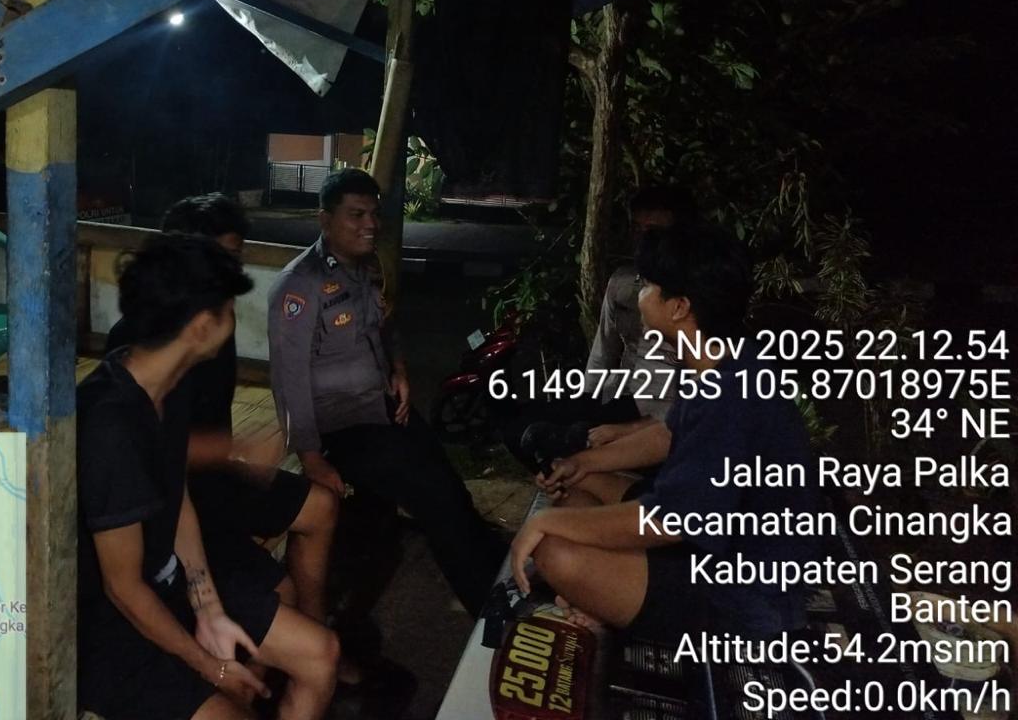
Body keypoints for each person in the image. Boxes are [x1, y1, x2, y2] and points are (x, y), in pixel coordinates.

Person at [509, 222, 819, 644]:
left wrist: (547, 522)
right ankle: (609, 594)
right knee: (581, 485)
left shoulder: (729, 395)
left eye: (648, 285)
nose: (640, 293)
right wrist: (584, 462)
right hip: (714, 536)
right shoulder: (725, 358)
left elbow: (671, 520)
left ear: (679, 307)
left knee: (554, 550)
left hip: (745, 590)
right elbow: (666, 436)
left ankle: (613, 603)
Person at [78, 233, 338, 720]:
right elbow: (123, 588)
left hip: (168, 584)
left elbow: (175, 496)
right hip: (110, 624)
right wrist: (209, 665)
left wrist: (209, 608)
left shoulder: (166, 382)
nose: (234, 319)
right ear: (202, 327)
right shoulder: (110, 426)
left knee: (321, 654)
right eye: (229, 309)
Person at [267, 168, 507, 615]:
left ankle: (504, 573)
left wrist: (398, 368)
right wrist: (311, 458)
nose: (371, 224)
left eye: (374, 214)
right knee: (435, 499)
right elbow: (288, 379)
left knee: (451, 489)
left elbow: (385, 324)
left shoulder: (366, 268)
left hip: (384, 409)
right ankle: (491, 607)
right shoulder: (298, 286)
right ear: (325, 220)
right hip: (342, 427)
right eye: (356, 215)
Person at [501, 186, 690, 473]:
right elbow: (604, 350)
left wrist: (622, 432)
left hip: (661, 412)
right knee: (526, 428)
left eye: (653, 232)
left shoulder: (694, 298)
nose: (643, 239)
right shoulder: (625, 283)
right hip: (623, 396)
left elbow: (678, 421)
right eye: (637, 229)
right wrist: (587, 398)